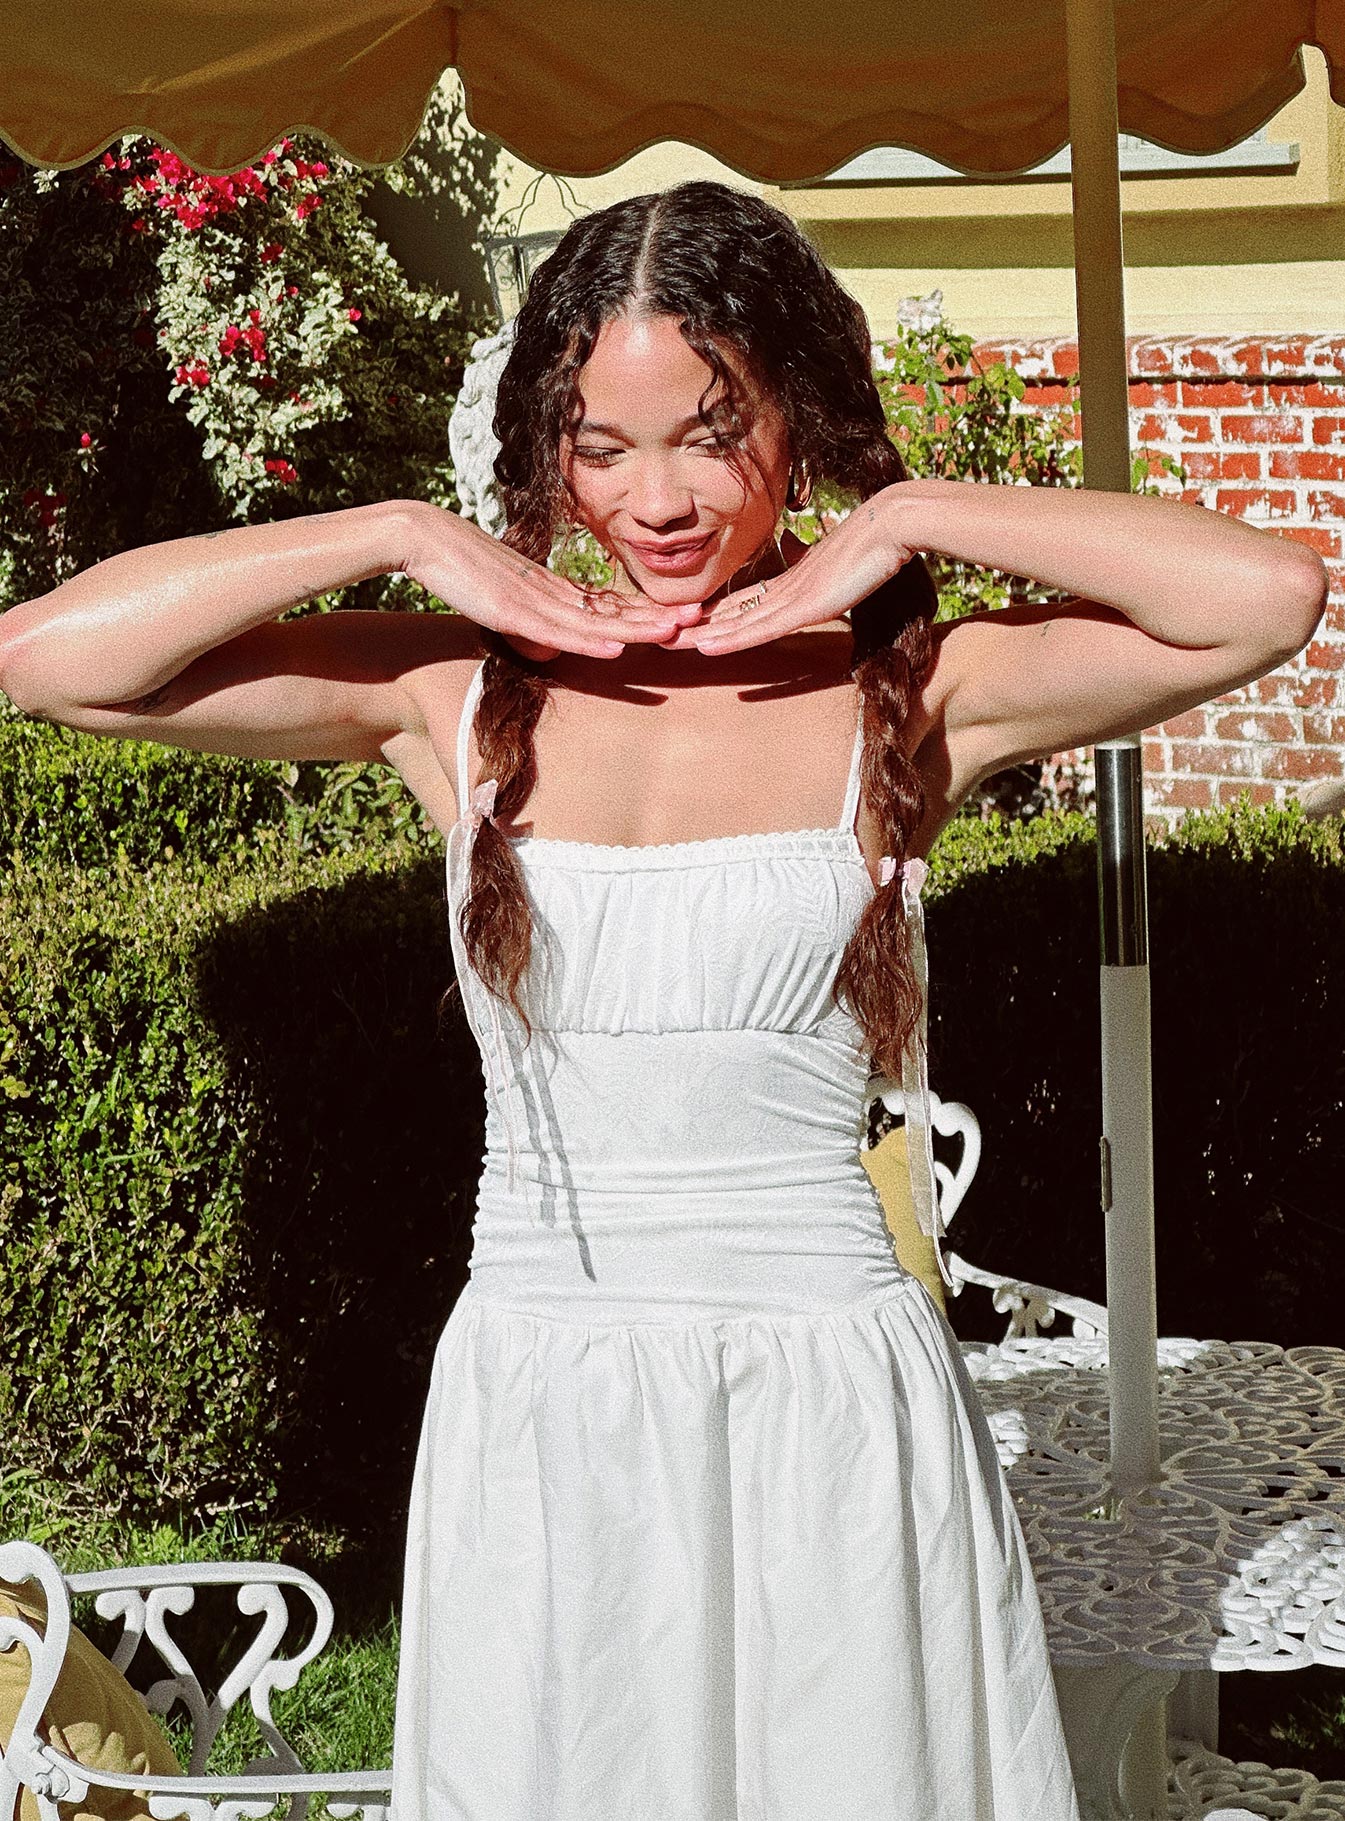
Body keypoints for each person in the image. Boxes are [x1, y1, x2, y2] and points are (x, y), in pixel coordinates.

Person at [0, 178, 1325, 1820]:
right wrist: (403, 535)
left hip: (828, 1404)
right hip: (543, 1401)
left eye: (712, 432)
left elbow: (1262, 595)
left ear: (798, 414)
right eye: (600, 443)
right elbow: (49, 657)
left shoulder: (915, 692)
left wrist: (902, 520)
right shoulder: (453, 690)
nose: (658, 498)